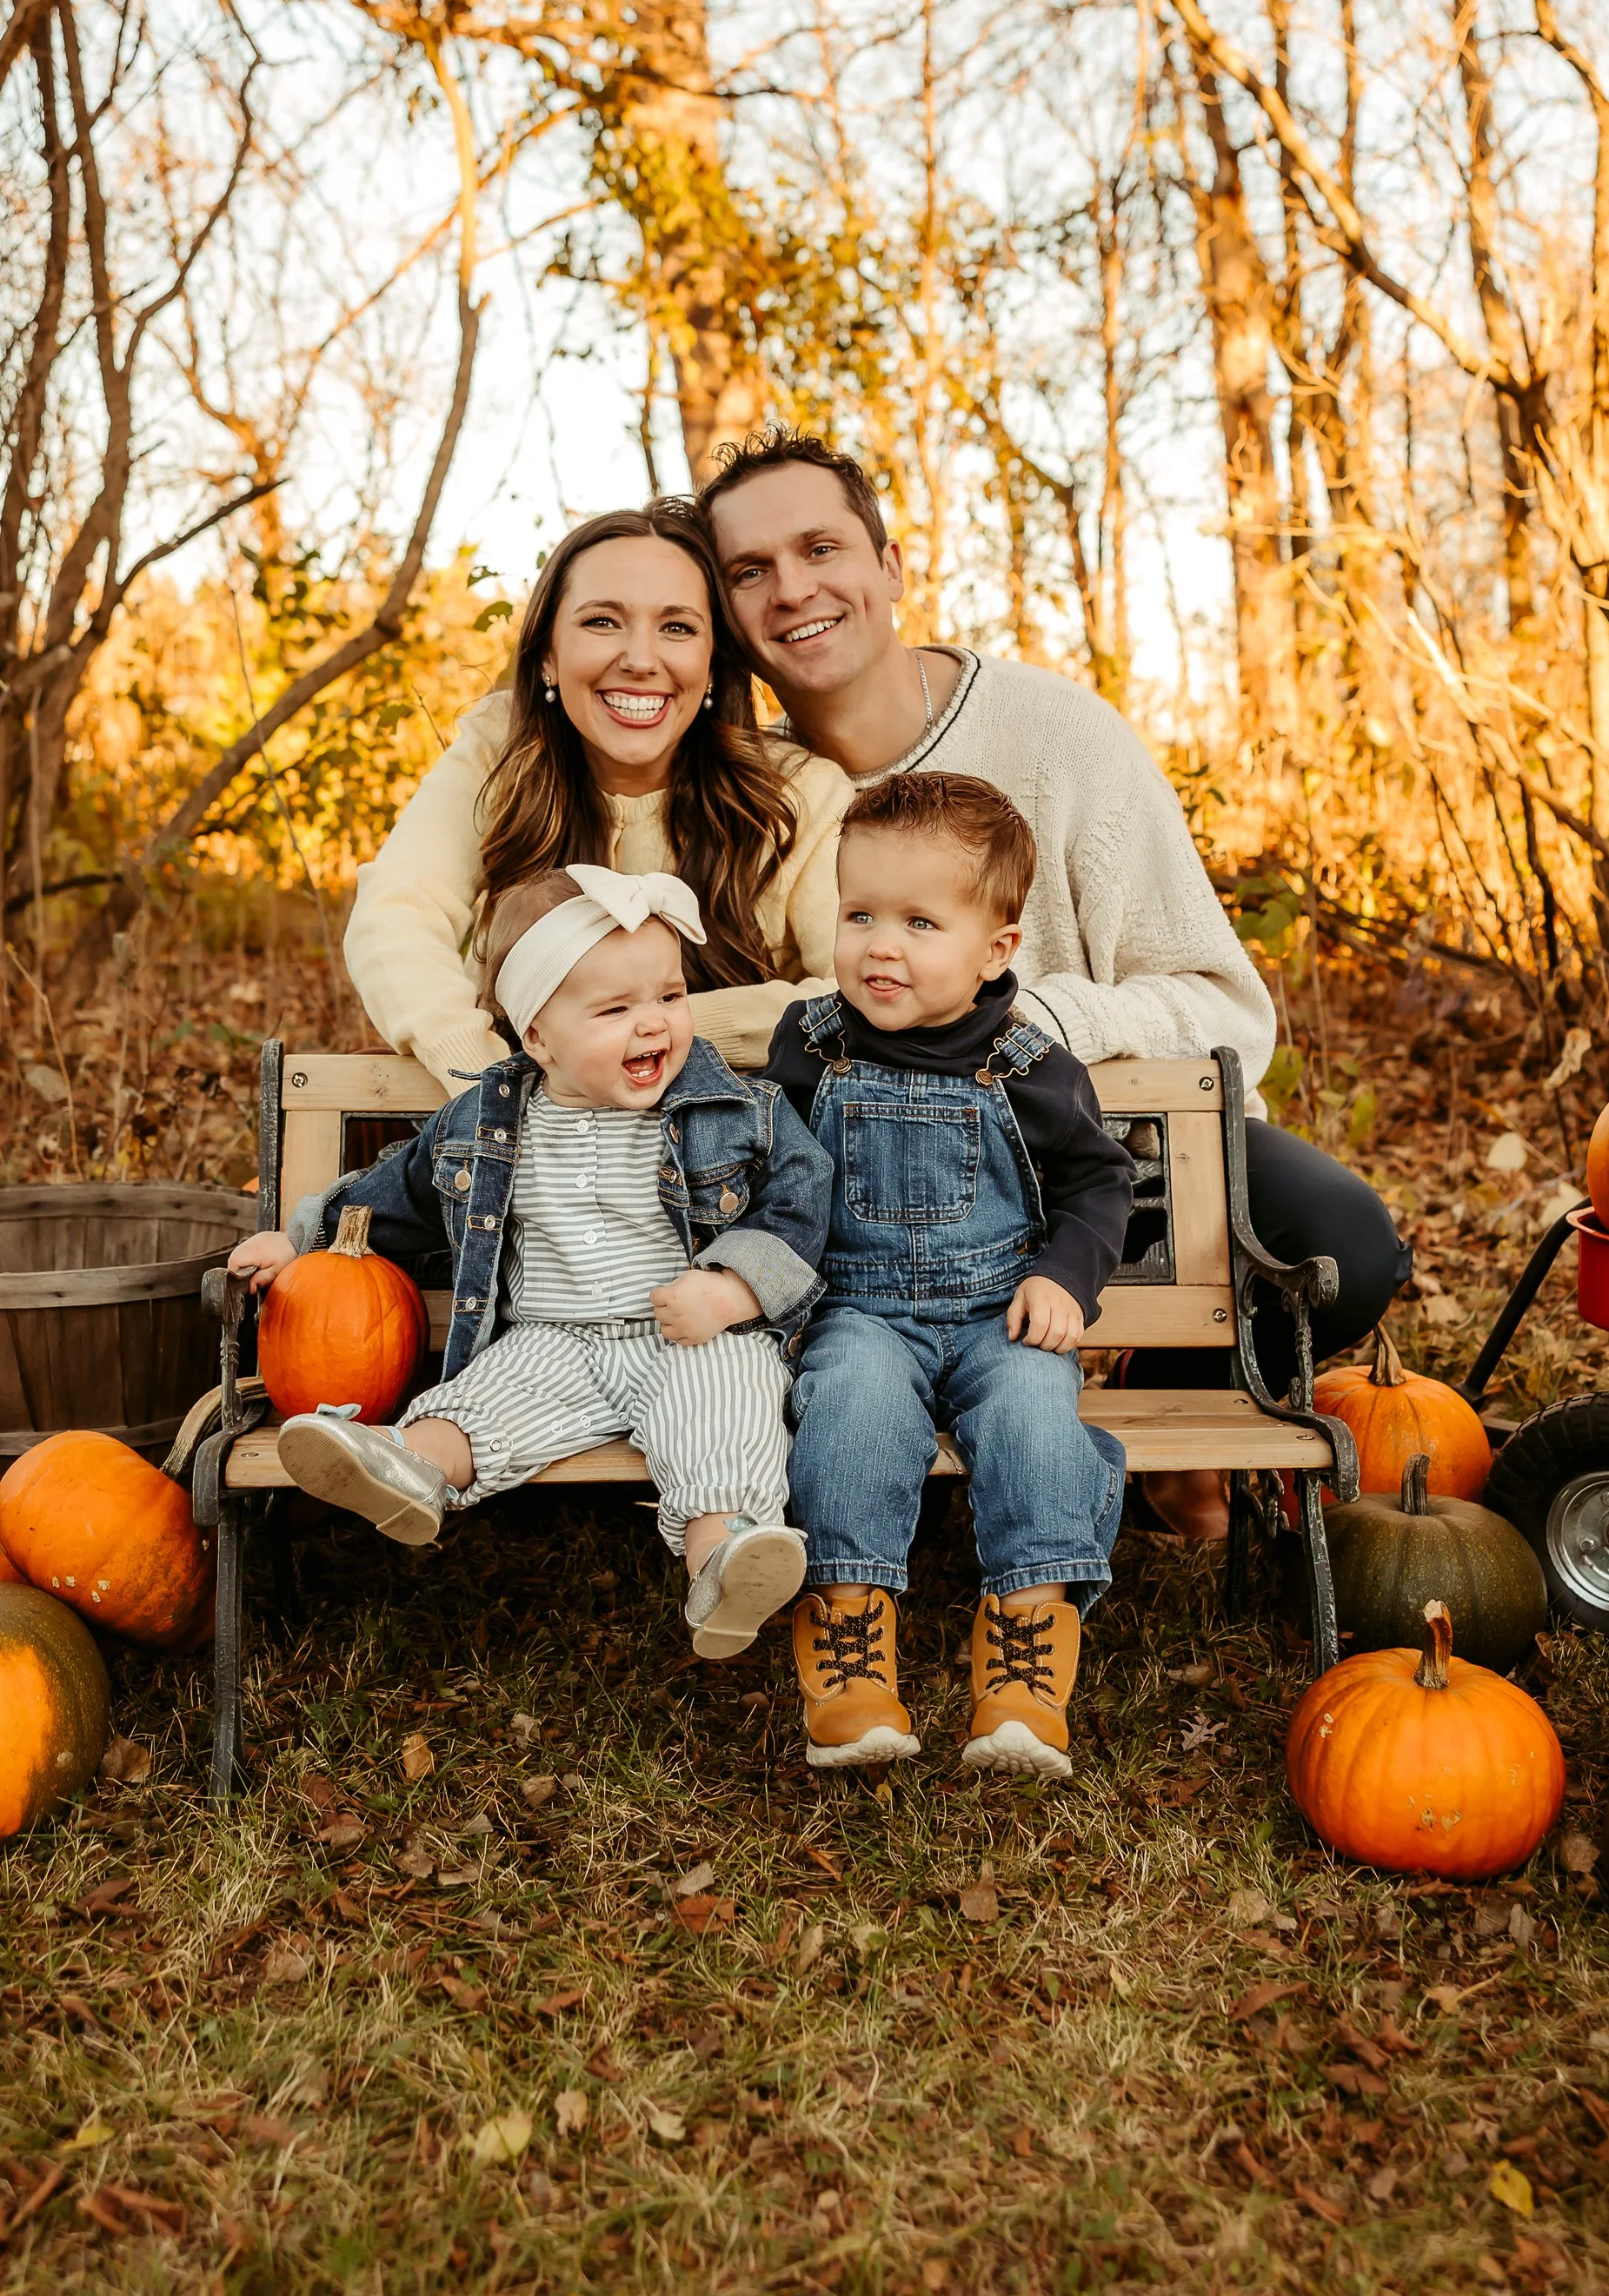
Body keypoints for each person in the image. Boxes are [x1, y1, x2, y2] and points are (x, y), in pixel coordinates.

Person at [699, 430, 1410, 1413]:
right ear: (728, 617)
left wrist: (1033, 1024)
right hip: (874, 1196)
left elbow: (1227, 1012)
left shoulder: (1058, 736)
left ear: (889, 566)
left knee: (1348, 1244)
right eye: (750, 570)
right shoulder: (745, 802)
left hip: (1111, 1152)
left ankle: (1178, 1394)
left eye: (820, 549)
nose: (790, 590)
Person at [227, 866, 831, 1662]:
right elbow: (395, 1194)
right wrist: (305, 1237)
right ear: (537, 1037)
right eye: (616, 1009)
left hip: (692, 1336)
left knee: (725, 1412)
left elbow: (803, 1197)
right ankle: (411, 1470)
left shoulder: (735, 1107)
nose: (653, 1025)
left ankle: (723, 1564)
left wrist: (732, 1290)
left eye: (670, 996)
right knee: (479, 1405)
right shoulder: (486, 1119)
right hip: (555, 1344)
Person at [768, 773, 1137, 1782]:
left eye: (920, 922)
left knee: (1033, 1412)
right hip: (860, 1308)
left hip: (995, 1311)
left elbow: (1101, 1183)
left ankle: (1025, 1650)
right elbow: (776, 1177)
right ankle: (850, 1644)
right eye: (860, 915)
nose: (880, 945)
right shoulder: (809, 1048)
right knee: (849, 1406)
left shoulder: (1030, 1067)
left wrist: (1065, 1277)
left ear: (996, 950)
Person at [342, 501, 848, 1087]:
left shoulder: (799, 794)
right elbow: (397, 915)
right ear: (549, 656)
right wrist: (488, 1084)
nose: (639, 659)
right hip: (519, 1134)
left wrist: (635, 1032)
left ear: (712, 665)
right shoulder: (499, 750)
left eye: (678, 627)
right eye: (602, 621)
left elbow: (856, 991)